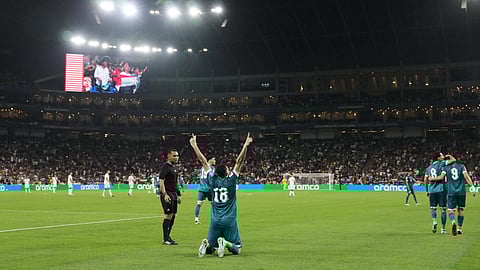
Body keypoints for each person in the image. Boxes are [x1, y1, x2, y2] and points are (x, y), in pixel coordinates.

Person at [190, 132, 253, 258]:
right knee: (237, 248)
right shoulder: (231, 181)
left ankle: (207, 244)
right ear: (226, 172)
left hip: (215, 220)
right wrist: (245, 145)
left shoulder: (212, 180)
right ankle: (225, 243)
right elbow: (239, 162)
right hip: (229, 219)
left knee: (211, 249)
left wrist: (194, 146)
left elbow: (203, 161)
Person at [429, 154, 477, 236]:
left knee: (451, 210)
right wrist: (472, 186)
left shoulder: (445, 168)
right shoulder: (462, 166)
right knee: (461, 210)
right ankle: (459, 228)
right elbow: (466, 176)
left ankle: (453, 222)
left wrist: (431, 178)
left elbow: (441, 177)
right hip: (462, 191)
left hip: (451, 192)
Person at [159, 149, 181, 245]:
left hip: (174, 194)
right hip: (167, 194)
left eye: (177, 156)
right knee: (168, 215)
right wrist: (164, 194)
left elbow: (175, 183)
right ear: (169, 156)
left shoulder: (175, 168)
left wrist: (179, 194)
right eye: (174, 156)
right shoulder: (165, 167)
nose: (176, 157)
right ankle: (165, 238)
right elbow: (161, 181)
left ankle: (168, 236)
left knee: (173, 215)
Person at [424, 152, 448, 234]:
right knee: (443, 210)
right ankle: (443, 229)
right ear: (438, 157)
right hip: (441, 189)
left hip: (432, 190)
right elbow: (452, 162)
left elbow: (425, 179)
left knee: (433, 208)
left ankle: (434, 221)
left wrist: (427, 190)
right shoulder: (443, 164)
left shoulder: (429, 168)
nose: (443, 156)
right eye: (442, 155)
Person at [194, 156, 216, 224]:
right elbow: (211, 178)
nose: (215, 161)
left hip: (202, 188)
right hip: (209, 189)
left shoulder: (203, 167)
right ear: (210, 160)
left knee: (199, 204)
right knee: (214, 204)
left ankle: (196, 219)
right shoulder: (211, 168)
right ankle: (215, 218)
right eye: (214, 159)